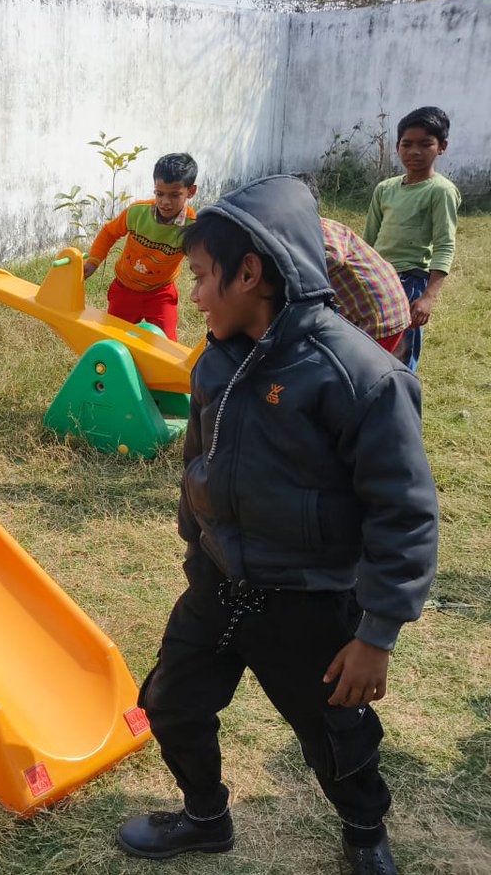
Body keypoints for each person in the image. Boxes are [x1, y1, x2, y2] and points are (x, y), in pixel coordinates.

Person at [117, 176, 438, 875]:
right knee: (171, 702)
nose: (195, 296)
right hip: (219, 582)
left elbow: (404, 512)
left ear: (249, 274)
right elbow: (199, 459)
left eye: (202, 277)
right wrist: (196, 550)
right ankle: (205, 816)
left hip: (309, 601)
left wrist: (376, 635)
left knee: (335, 735)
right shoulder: (217, 359)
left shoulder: (360, 377)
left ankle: (364, 833)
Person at [364, 106, 461, 371]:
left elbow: (444, 245)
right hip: (377, 278)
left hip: (410, 283)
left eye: (425, 144)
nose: (414, 151)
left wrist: (428, 297)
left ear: (441, 147)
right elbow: (368, 240)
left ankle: (401, 394)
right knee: (368, 348)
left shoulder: (441, 191)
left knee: (400, 356)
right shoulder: (384, 189)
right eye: (407, 144)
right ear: (397, 147)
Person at [85, 153, 199, 341]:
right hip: (125, 288)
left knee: (166, 347)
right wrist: (93, 262)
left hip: (161, 293)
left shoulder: (191, 227)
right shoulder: (137, 213)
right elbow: (109, 232)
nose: (165, 202)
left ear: (191, 191)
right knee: (113, 339)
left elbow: (202, 260)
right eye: (159, 193)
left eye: (174, 195)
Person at [292, 173, 410, 353]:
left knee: (358, 367)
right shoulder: (309, 230)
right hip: (381, 309)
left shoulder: (318, 229)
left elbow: (332, 256)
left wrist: (289, 274)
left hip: (379, 317)